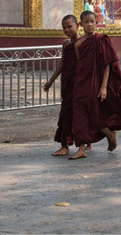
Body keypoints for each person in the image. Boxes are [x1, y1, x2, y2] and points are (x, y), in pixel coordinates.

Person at [70, 10, 121, 159]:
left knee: (95, 112)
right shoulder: (78, 44)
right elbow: (81, 64)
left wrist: (104, 86)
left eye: (92, 21)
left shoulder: (101, 39)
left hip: (98, 82)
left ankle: (109, 133)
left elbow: (108, 64)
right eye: (86, 22)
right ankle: (81, 148)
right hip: (81, 82)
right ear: (81, 24)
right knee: (79, 113)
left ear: (96, 23)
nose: (90, 25)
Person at [44, 15, 80, 156]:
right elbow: (62, 64)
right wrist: (51, 80)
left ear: (78, 25)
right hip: (67, 81)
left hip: (80, 82)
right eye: (64, 27)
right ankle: (65, 145)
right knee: (66, 113)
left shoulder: (84, 42)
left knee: (81, 112)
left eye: (69, 26)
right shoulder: (66, 44)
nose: (67, 30)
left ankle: (87, 141)